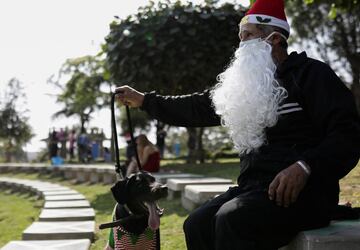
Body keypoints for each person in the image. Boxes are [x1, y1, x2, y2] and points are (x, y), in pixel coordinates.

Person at [114, 0, 360, 249]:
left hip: (306, 194)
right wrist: (144, 100)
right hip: (254, 189)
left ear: (273, 39)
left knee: (231, 219)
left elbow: (348, 136)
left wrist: (305, 167)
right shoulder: (246, 87)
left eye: (248, 36)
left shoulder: (312, 75)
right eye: (240, 36)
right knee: (196, 224)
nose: (241, 44)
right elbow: (197, 107)